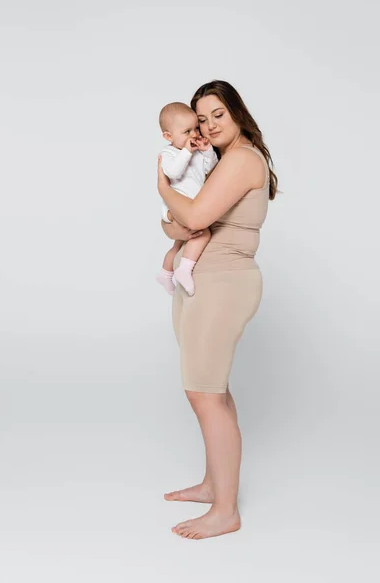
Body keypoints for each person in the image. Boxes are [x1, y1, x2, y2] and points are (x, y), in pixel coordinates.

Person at [157, 80, 278, 540]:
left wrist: (160, 188)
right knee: (210, 390)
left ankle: (226, 510)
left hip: (224, 282)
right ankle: (214, 485)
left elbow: (189, 219)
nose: (207, 125)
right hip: (203, 280)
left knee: (205, 393)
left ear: (237, 113)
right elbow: (185, 222)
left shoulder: (244, 159)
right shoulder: (220, 162)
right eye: (201, 118)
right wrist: (178, 218)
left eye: (217, 115)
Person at [156, 102, 218, 296]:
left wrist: (207, 151)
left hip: (190, 204)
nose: (194, 135)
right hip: (177, 205)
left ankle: (165, 273)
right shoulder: (169, 153)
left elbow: (210, 169)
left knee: (179, 243)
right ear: (169, 136)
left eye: (195, 129)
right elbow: (173, 172)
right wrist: (187, 152)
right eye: (187, 131)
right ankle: (184, 269)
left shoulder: (195, 152)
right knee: (204, 234)